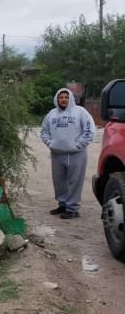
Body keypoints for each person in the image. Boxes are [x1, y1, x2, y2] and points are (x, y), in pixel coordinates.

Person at [40, 88, 95, 219]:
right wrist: (50, 143)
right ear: (57, 99)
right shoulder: (51, 114)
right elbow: (44, 132)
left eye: (66, 97)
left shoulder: (81, 112)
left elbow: (89, 131)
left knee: (75, 181)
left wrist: (78, 145)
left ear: (70, 98)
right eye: (61, 97)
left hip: (76, 154)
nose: (63, 99)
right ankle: (63, 204)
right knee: (58, 181)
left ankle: (73, 209)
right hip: (57, 153)